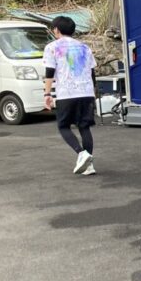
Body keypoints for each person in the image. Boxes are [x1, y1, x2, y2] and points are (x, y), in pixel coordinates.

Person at [42, 15, 98, 175]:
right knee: (84, 127)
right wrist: (93, 92)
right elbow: (92, 72)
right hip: (86, 92)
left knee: (63, 126)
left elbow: (50, 71)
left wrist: (47, 93)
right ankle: (89, 166)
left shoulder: (52, 47)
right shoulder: (84, 47)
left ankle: (81, 153)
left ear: (56, 30)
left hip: (66, 93)